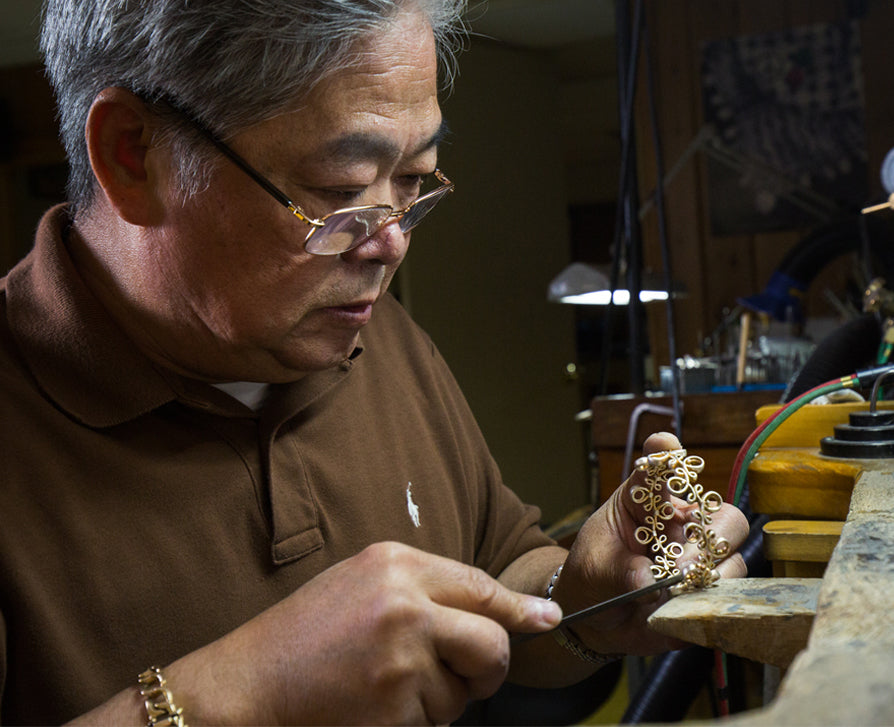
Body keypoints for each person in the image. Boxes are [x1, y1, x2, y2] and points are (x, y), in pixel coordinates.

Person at [0, 0, 749, 723]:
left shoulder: (379, 335)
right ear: (133, 153)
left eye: (415, 181)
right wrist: (234, 697)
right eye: (340, 191)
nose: (391, 242)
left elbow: (499, 572)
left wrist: (582, 593)